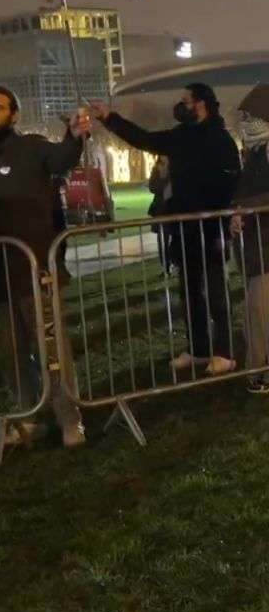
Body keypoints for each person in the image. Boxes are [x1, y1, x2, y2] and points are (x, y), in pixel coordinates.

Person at [0, 86, 89, 448]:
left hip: (35, 268)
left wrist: (75, 136)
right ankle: (29, 414)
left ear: (14, 115)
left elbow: (63, 157)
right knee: (12, 351)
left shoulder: (32, 148)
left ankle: (70, 418)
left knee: (52, 348)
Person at [92, 83, 241, 375]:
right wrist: (110, 118)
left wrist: (223, 213)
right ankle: (199, 349)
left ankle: (225, 350)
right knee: (189, 291)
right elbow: (144, 139)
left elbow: (232, 181)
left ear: (201, 104)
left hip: (210, 227)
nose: (180, 105)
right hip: (184, 227)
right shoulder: (181, 136)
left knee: (214, 291)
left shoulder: (220, 139)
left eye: (185, 101)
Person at [230, 87, 269, 392]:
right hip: (256, 246)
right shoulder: (254, 152)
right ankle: (255, 371)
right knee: (254, 313)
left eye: (250, 115)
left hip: (266, 247)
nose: (245, 121)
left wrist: (245, 208)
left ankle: (260, 371)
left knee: (262, 311)